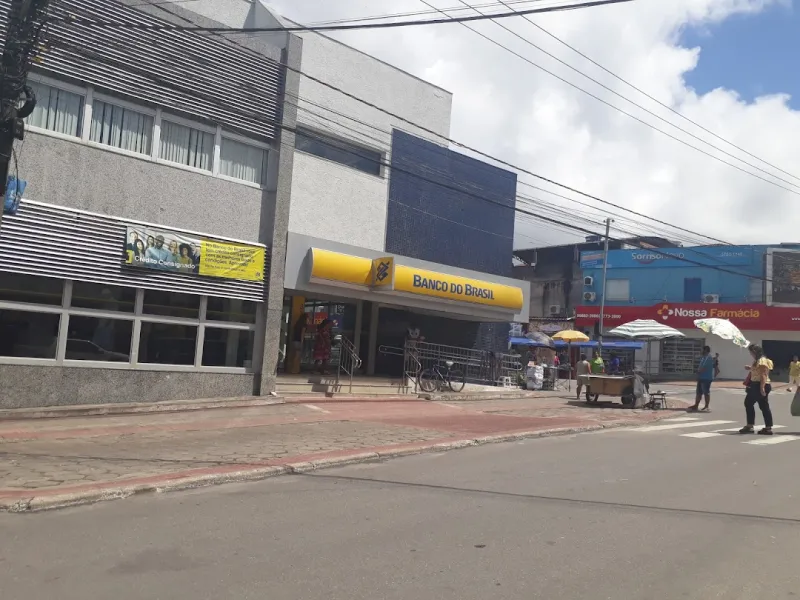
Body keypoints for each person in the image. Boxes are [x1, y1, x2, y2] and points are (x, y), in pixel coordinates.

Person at [740, 344, 775, 435]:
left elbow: (763, 374)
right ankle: (767, 427)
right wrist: (750, 368)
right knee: (763, 406)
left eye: (751, 352)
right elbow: (758, 371)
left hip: (759, 385)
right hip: (757, 384)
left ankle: (750, 425)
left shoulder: (762, 361)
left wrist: (762, 388)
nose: (751, 354)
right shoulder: (758, 361)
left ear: (755, 352)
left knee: (749, 402)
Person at [688, 345, 714, 412]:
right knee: (698, 392)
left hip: (706, 378)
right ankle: (696, 405)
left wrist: (697, 373)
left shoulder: (708, 358)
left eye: (702, 350)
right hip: (701, 377)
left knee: (706, 392)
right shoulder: (703, 358)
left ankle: (706, 406)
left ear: (705, 350)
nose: (701, 351)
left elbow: (704, 368)